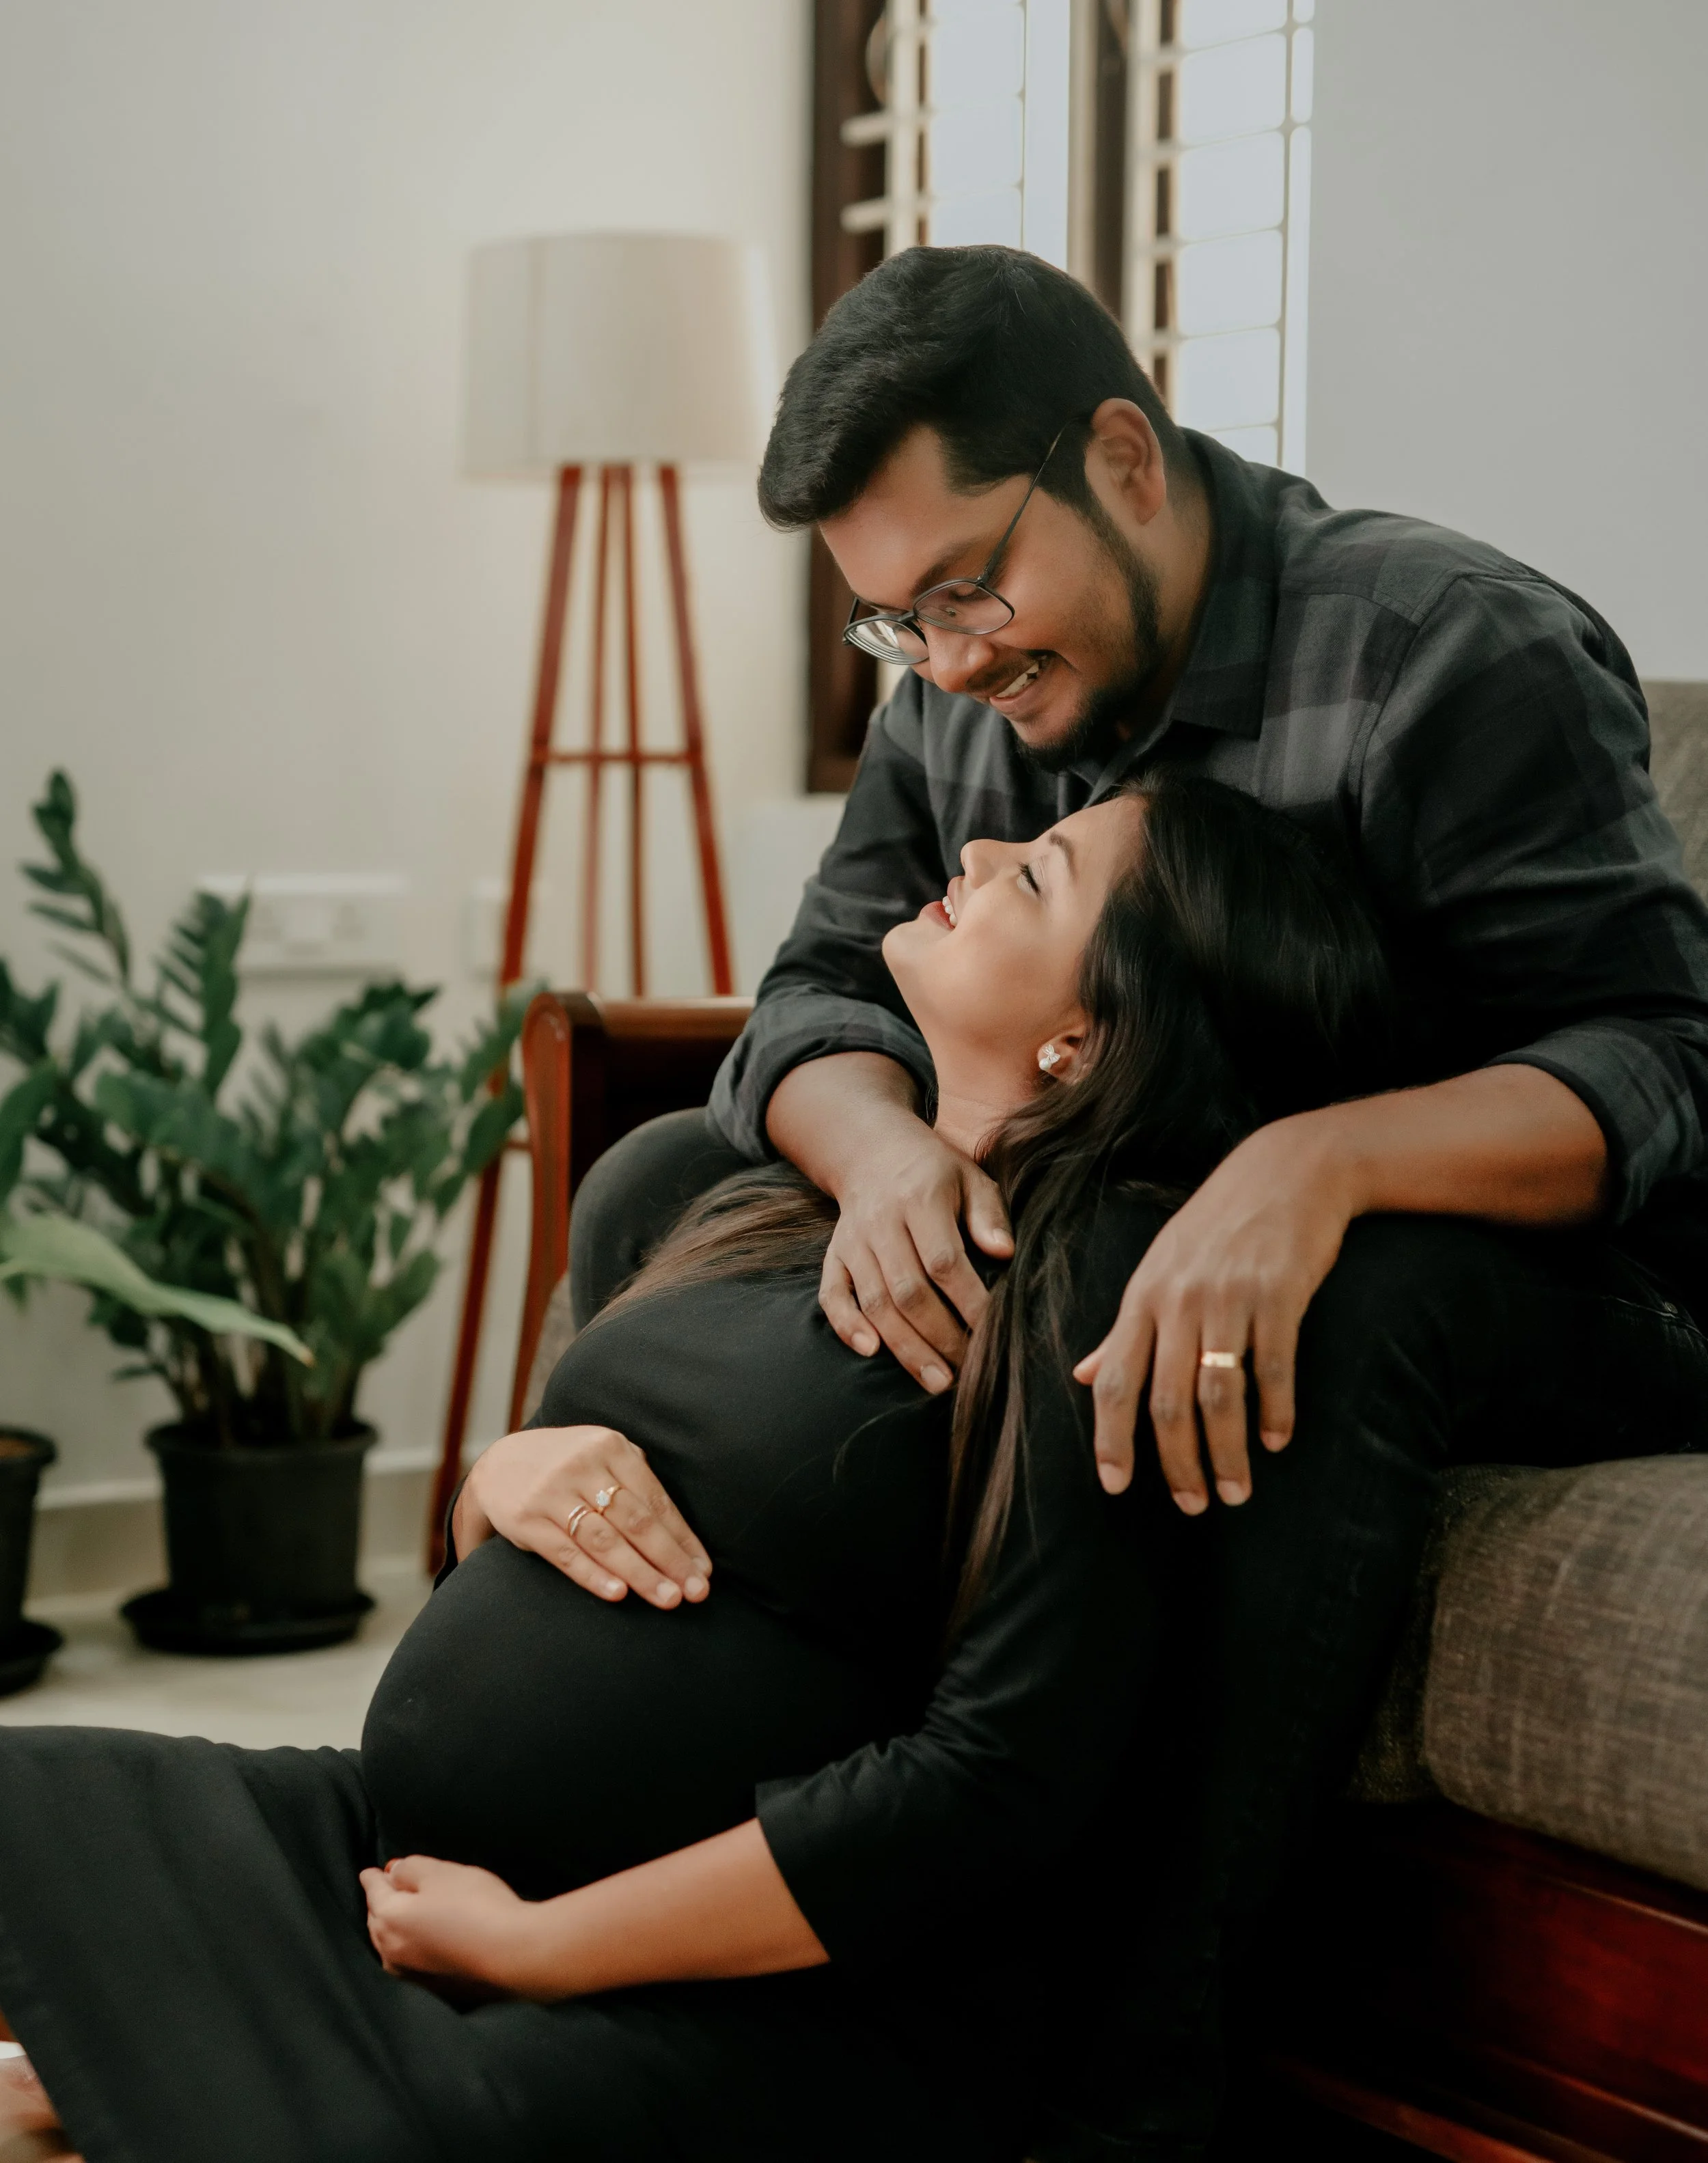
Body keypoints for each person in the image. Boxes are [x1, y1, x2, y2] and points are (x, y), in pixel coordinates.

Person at [561, 245, 1708, 2155]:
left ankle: (1137, 2075)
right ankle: (671, 1857)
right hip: (1143, 1219)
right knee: (673, 1169)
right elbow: (816, 994)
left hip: (1575, 1288)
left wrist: (1320, 1159)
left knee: (1325, 1297)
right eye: (889, 624)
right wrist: (887, 1152)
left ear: (1120, 453)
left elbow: (1665, 1061)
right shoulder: (959, 694)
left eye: (965, 588)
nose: (939, 667)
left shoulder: (1446, 649)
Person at [0, 779, 1399, 2163]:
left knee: (307, 2115)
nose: (974, 848)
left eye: (1036, 872)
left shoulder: (1086, 1283)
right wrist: (497, 1478)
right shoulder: (782, 1188)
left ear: (1084, 1039)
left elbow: (992, 1783)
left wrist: (544, 1948)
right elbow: (513, 1539)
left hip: (719, 1998)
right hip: (394, 1862)